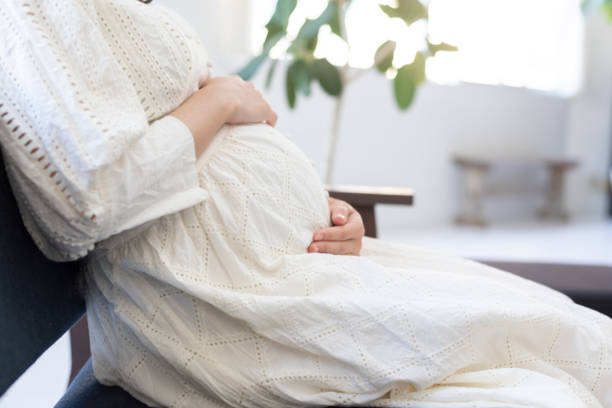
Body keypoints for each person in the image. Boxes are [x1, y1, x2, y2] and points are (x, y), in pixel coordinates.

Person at [0, 1, 610, 407]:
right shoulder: (30, 14)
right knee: (542, 382)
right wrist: (223, 101)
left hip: (292, 264)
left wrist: (322, 207)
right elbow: (92, 199)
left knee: (566, 333)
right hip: (215, 300)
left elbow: (201, 144)